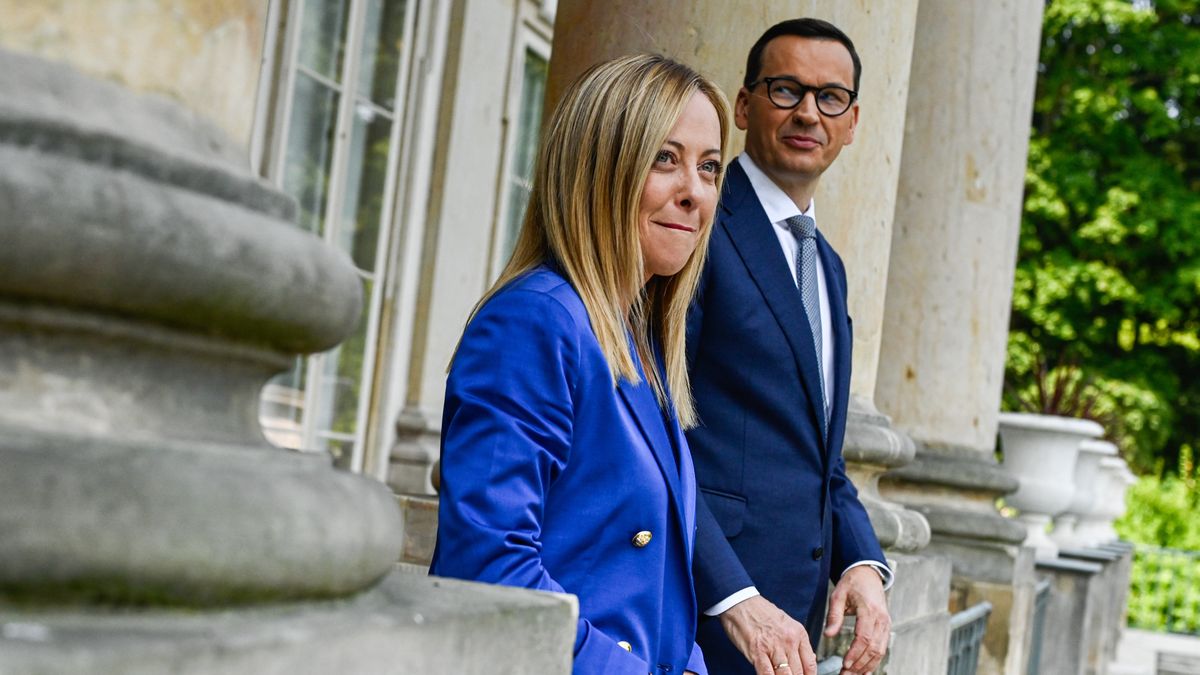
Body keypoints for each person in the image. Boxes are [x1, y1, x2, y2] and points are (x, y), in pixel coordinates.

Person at [431, 53, 731, 675]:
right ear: (601, 169)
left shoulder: (635, 337)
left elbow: (654, 595)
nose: (694, 193)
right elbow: (488, 570)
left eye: (708, 168)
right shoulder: (535, 322)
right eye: (664, 159)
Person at [687, 19, 893, 675]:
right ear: (744, 105)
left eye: (829, 97)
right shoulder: (696, 225)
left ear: (852, 120)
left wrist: (861, 562)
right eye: (786, 89)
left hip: (794, 629)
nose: (808, 111)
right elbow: (653, 431)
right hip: (701, 607)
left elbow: (822, 461)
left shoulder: (827, 265)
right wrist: (730, 592)